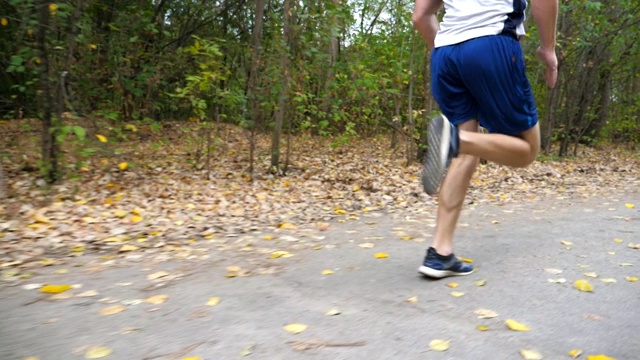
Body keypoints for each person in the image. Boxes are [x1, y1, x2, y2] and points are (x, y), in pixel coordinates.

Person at [412, 0, 558, 278]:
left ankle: (440, 253)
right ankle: (453, 140)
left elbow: (421, 15)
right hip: (491, 45)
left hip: (444, 53)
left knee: (469, 150)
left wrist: (447, 51)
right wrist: (548, 48)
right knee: (526, 150)